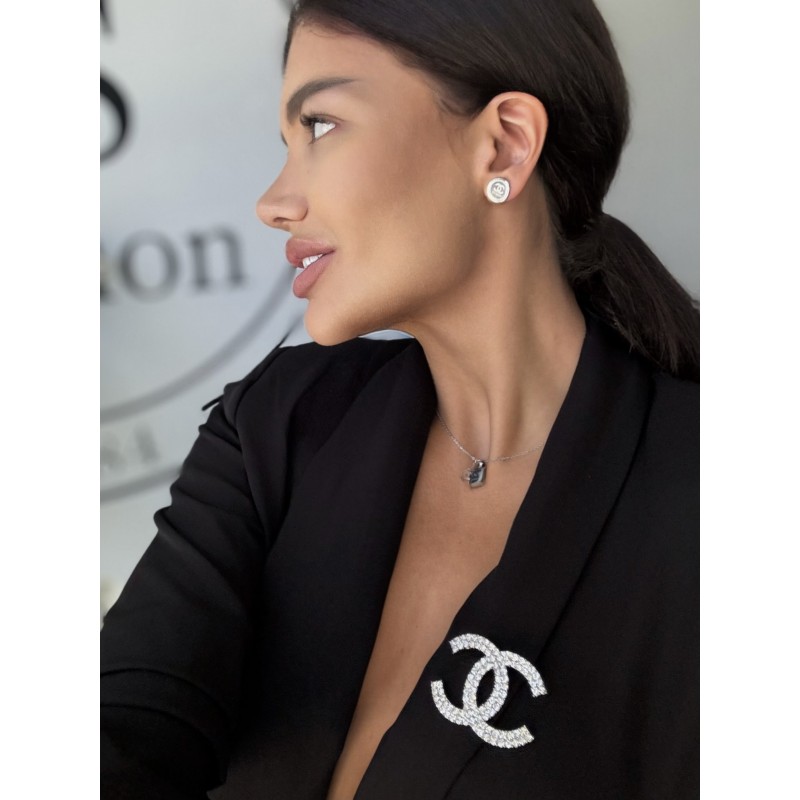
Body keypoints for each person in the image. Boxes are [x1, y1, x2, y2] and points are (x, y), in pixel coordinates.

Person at [100, 1, 699, 798]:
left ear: (504, 143)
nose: (274, 202)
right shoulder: (277, 425)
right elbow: (132, 719)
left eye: (320, 126)